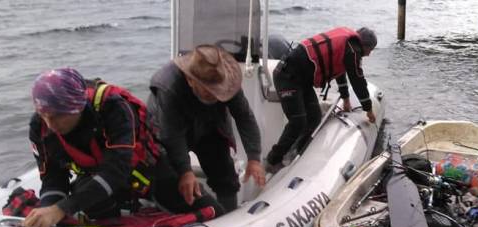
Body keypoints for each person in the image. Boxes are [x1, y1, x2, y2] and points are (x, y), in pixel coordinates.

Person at [23, 68, 223, 227]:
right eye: (44, 115)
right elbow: (52, 178)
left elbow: (116, 170)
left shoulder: (113, 108)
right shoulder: (40, 127)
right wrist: (47, 210)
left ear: (77, 108)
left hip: (145, 171)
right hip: (94, 177)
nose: (50, 124)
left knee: (211, 209)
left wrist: (61, 209)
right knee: (91, 204)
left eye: (58, 116)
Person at [148, 44, 265, 213]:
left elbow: (244, 116)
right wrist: (185, 171)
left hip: (209, 125)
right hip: (168, 129)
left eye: (219, 90)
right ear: (190, 80)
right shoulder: (168, 86)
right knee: (173, 183)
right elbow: (171, 134)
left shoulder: (227, 79)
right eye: (209, 91)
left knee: (226, 177)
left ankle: (228, 218)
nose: (217, 94)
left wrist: (254, 157)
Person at [265, 27, 378, 173]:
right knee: (298, 121)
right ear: (365, 45)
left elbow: (339, 71)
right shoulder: (353, 50)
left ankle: (297, 152)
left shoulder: (348, 47)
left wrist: (346, 98)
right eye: (371, 50)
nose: (369, 54)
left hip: (302, 80)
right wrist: (368, 110)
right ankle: (272, 160)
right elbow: (357, 81)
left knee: (314, 117)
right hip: (287, 77)